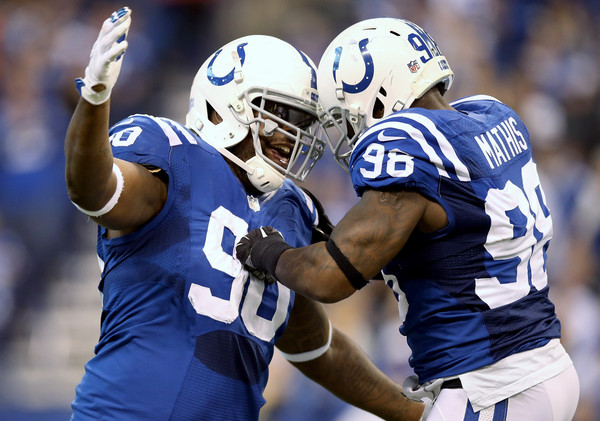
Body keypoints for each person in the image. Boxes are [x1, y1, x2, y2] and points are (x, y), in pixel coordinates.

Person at [64, 8, 425, 421]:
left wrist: (416, 415)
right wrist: (94, 101)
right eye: (283, 117)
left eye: (305, 125)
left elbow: (317, 347)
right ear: (225, 108)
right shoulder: (173, 156)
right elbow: (94, 191)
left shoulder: (292, 211)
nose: (294, 137)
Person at [236, 17, 580, 421]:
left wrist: (267, 251)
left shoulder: (409, 144)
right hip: (541, 366)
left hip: (491, 385)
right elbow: (448, 248)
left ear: (378, 98)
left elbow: (328, 278)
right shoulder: (489, 115)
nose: (348, 134)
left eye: (344, 118)